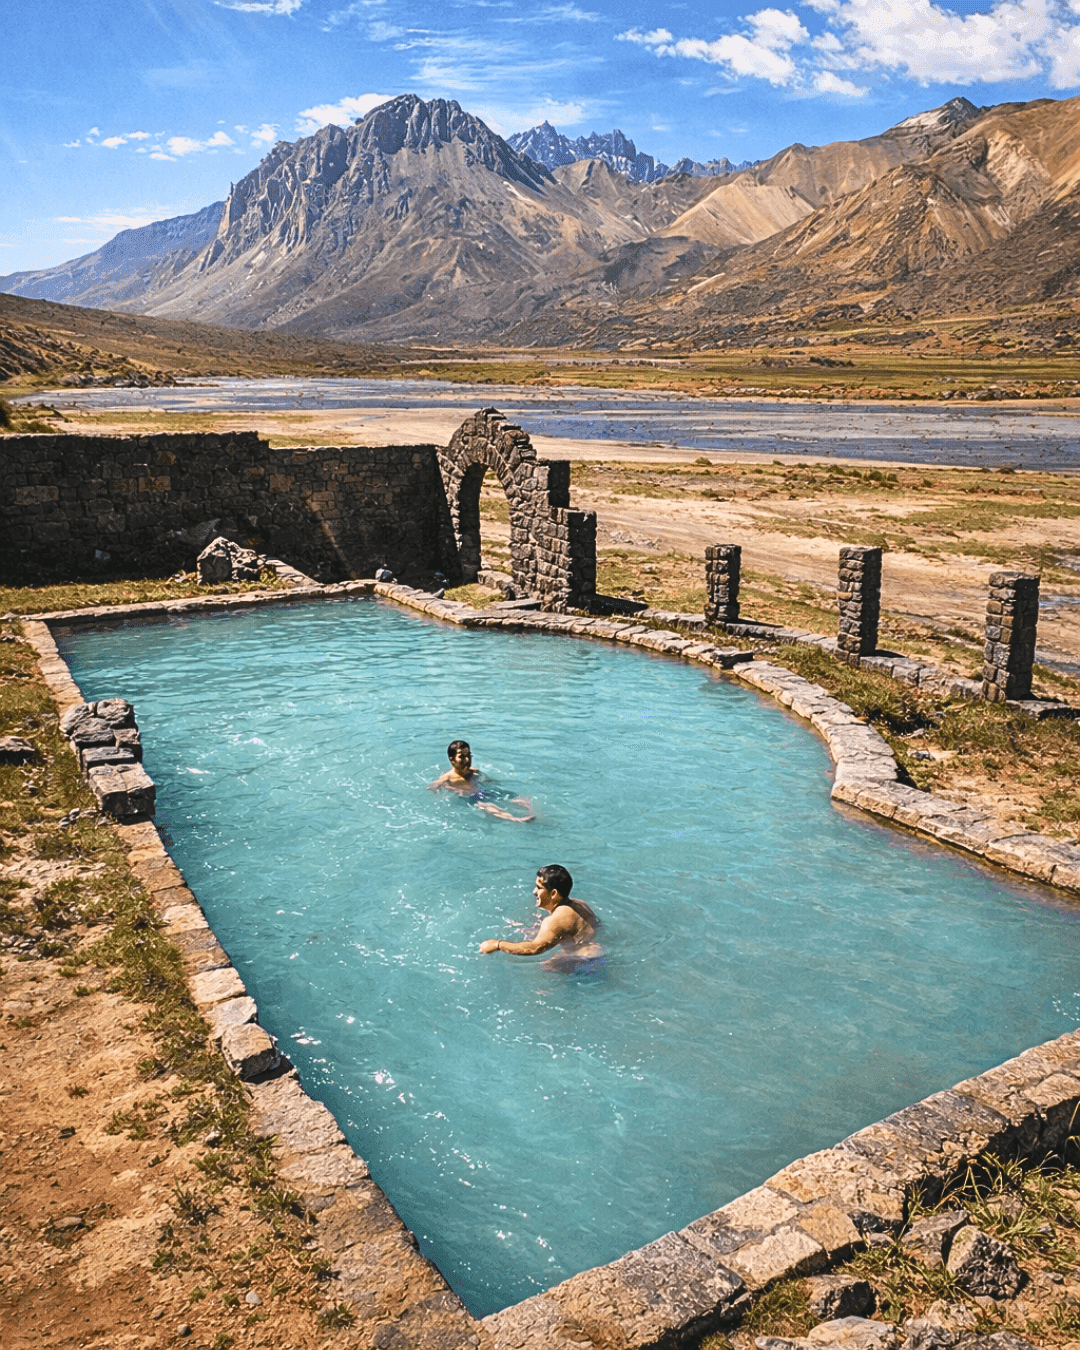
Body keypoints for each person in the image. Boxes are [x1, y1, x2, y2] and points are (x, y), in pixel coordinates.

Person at [480, 865, 604, 972]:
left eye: (539, 888)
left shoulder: (555, 920)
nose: (534, 891)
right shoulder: (580, 904)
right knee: (552, 961)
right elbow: (594, 925)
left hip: (583, 963)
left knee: (545, 968)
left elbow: (535, 948)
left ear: (553, 894)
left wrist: (498, 945)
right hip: (596, 954)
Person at [429, 740, 534, 823]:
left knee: (514, 796)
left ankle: (532, 811)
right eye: (462, 756)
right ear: (452, 759)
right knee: (488, 806)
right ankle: (516, 819)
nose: (467, 760)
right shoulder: (447, 778)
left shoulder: (474, 771)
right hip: (470, 798)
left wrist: (493, 782)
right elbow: (433, 787)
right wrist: (451, 788)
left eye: (468, 755)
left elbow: (486, 780)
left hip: (484, 791)